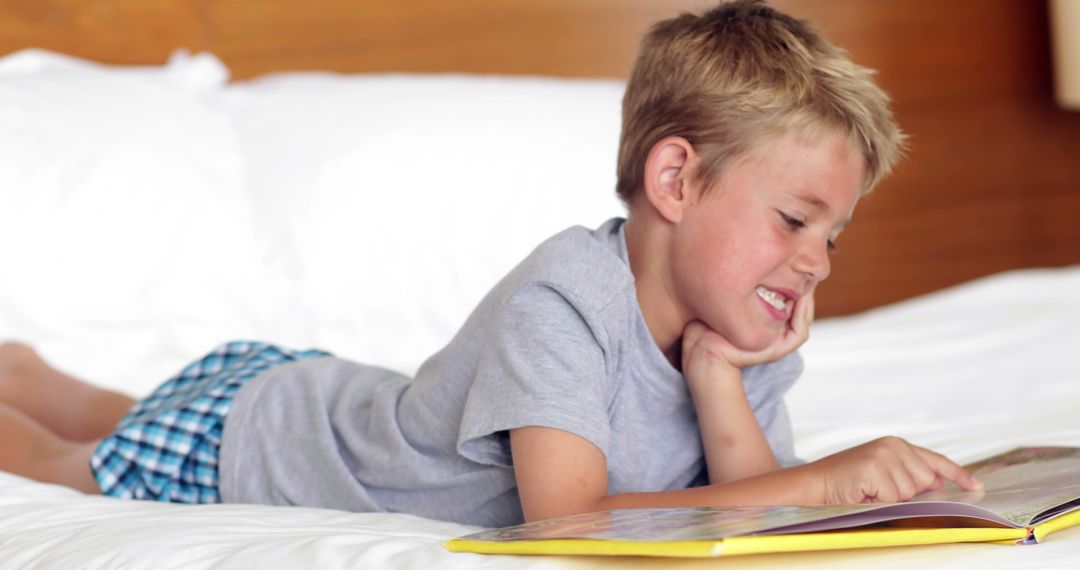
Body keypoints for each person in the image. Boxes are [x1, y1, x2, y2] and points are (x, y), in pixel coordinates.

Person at [0, 0, 982, 528]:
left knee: (108, 401)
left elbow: (745, 497)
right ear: (676, 179)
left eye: (832, 237)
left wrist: (719, 375)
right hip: (271, 442)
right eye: (793, 220)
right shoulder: (565, 296)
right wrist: (815, 484)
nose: (813, 262)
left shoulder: (744, 333)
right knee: (63, 463)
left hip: (322, 394)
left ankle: (28, 367)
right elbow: (569, 523)